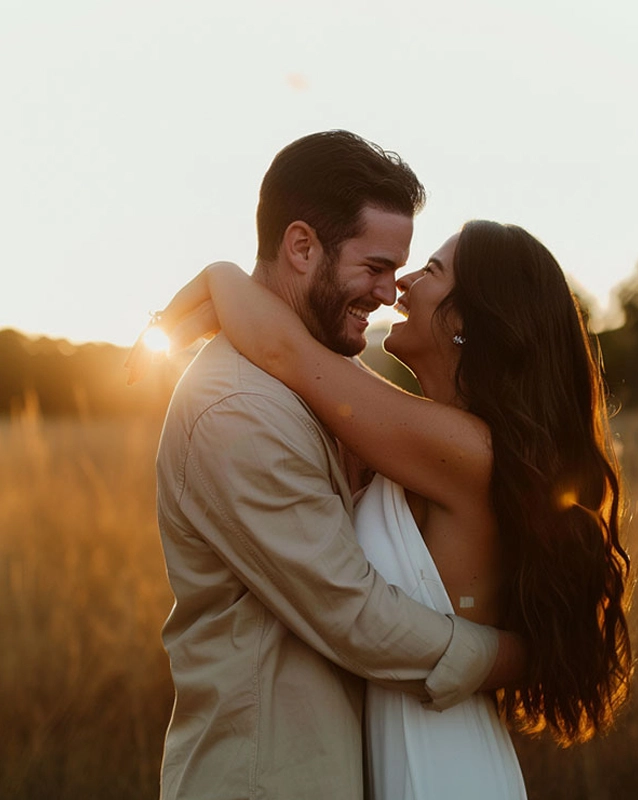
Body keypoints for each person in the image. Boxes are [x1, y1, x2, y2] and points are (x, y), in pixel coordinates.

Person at [151, 221, 634, 799]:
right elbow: (309, 359)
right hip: (417, 746)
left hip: (438, 764)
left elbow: (286, 351)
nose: (401, 283)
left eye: (431, 270)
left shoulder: (461, 448)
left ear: (467, 321)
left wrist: (221, 275)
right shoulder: (435, 439)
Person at [136, 131, 527, 800]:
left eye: (403, 269)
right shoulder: (234, 409)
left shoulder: (333, 381)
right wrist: (508, 657)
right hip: (267, 778)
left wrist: (224, 279)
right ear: (300, 246)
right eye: (375, 266)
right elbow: (352, 614)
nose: (389, 291)